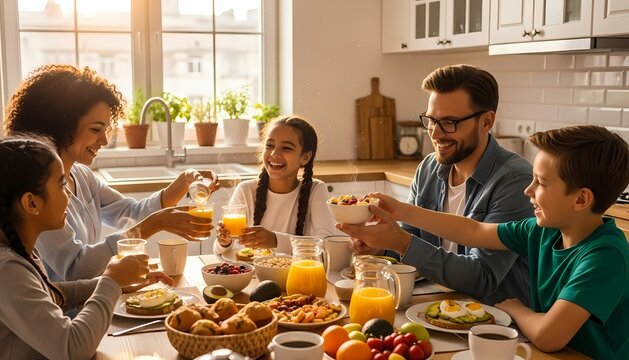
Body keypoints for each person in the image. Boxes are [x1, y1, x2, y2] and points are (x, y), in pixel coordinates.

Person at [342, 125, 629, 359]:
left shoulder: (604, 256)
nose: (528, 190)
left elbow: (548, 336)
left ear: (580, 199)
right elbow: (475, 231)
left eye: (540, 183)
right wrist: (402, 210)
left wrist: (516, 309)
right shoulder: (543, 230)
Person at [342, 64, 533, 305]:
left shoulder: (515, 181)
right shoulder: (430, 167)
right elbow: (409, 239)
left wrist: (399, 242)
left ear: (486, 121)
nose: (436, 134)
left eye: (450, 122)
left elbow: (482, 279)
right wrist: (377, 245)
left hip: (497, 325)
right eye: (432, 120)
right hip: (437, 306)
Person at [3, 64, 216, 281]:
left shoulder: (82, 176)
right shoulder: (36, 191)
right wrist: (156, 223)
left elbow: (130, 214)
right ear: (61, 125)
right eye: (95, 129)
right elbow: (75, 267)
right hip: (62, 312)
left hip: (89, 302)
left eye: (105, 130)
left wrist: (181, 184)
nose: (104, 140)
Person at [0, 137, 173, 358]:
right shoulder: (4, 271)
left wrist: (118, 283)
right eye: (61, 185)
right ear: (31, 203)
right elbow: (72, 349)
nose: (69, 195)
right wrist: (110, 282)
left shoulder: (11, 251)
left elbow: (52, 296)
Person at [213, 115, 336, 255]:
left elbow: (326, 245)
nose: (274, 153)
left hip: (295, 274)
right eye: (269, 145)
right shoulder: (246, 190)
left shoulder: (316, 190)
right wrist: (224, 241)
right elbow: (219, 250)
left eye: (286, 148)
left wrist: (276, 240)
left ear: (305, 157)